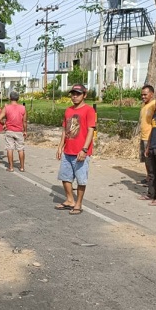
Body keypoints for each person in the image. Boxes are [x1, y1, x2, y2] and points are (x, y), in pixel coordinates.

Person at [54, 84, 96, 215]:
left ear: (84, 95)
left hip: (81, 151)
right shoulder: (68, 110)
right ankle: (70, 200)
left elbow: (90, 131)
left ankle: (78, 203)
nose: (75, 96)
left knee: (81, 179)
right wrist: (60, 146)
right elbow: (65, 130)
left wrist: (84, 149)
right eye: (73, 94)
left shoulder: (89, 110)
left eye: (78, 94)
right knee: (65, 177)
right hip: (68, 150)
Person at [0, 90, 27, 172]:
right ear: (18, 98)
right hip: (19, 131)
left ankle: (11, 167)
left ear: (10, 98)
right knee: (21, 149)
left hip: (9, 130)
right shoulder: (23, 108)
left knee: (9, 149)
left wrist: (4, 124)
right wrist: (25, 131)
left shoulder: (6, 107)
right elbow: (24, 121)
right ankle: (22, 167)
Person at [138, 85, 156, 186]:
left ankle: (152, 179)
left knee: (150, 160)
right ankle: (149, 176)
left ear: (151, 94)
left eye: (145, 95)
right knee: (146, 159)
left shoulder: (154, 105)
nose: (143, 97)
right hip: (143, 136)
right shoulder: (144, 105)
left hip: (150, 137)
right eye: (142, 95)